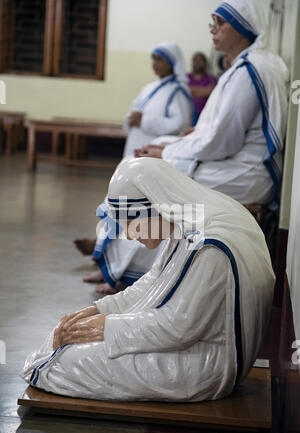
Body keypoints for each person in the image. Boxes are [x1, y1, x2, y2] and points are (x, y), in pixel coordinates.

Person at [21, 157, 275, 403]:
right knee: (58, 341)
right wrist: (98, 309)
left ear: (156, 204)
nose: (130, 236)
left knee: (66, 361)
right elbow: (153, 282)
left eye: (132, 223)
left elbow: (177, 328)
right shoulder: (187, 222)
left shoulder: (210, 246)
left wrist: (102, 327)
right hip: (191, 345)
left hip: (207, 364)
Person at [135, 0, 289, 209]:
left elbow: (223, 141)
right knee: (157, 153)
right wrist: (183, 142)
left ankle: (125, 240)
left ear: (242, 28)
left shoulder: (248, 71)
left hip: (249, 172)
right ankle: (119, 239)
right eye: (212, 23)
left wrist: (168, 152)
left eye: (220, 23)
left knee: (148, 172)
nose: (213, 30)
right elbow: (222, 131)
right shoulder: (245, 66)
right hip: (240, 162)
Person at [74, 41, 194, 292]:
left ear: (172, 63)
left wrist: (146, 120)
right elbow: (132, 115)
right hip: (134, 154)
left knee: (134, 216)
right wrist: (133, 118)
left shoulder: (177, 93)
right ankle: (106, 263)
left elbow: (179, 124)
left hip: (153, 162)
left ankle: (118, 271)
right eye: (153, 59)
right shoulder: (150, 88)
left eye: (159, 60)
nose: (155, 64)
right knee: (115, 208)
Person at [187, 52, 217, 120]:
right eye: (195, 60)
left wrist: (192, 90)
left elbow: (210, 91)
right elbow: (184, 91)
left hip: (205, 115)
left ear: (205, 63)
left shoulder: (211, 79)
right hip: (188, 115)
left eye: (200, 60)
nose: (198, 62)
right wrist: (203, 90)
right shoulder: (186, 78)